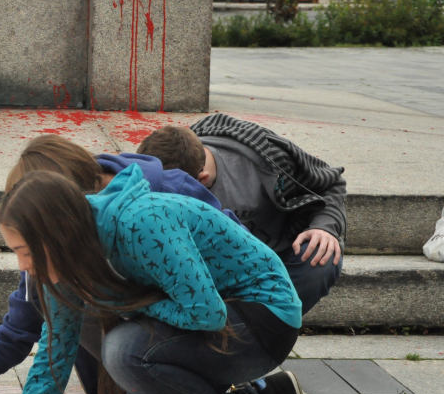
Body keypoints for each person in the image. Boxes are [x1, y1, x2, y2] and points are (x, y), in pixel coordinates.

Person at [0, 168, 309, 394]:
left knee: (123, 350)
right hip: (203, 330)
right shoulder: (63, 264)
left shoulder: (141, 223)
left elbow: (207, 313)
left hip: (262, 317)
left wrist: (128, 304)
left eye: (26, 253)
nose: (23, 266)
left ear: (59, 234)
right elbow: (54, 353)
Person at [0, 136, 251, 394]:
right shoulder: (51, 244)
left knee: (99, 310)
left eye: (34, 244)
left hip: (213, 328)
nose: (30, 260)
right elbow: (22, 325)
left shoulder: (160, 198)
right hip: (142, 350)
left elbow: (239, 261)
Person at [137, 115, 345, 315]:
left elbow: (330, 184)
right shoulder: (159, 170)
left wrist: (324, 226)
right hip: (212, 269)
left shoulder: (267, 156)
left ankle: (268, 328)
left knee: (321, 255)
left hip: (274, 260)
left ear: (202, 179)